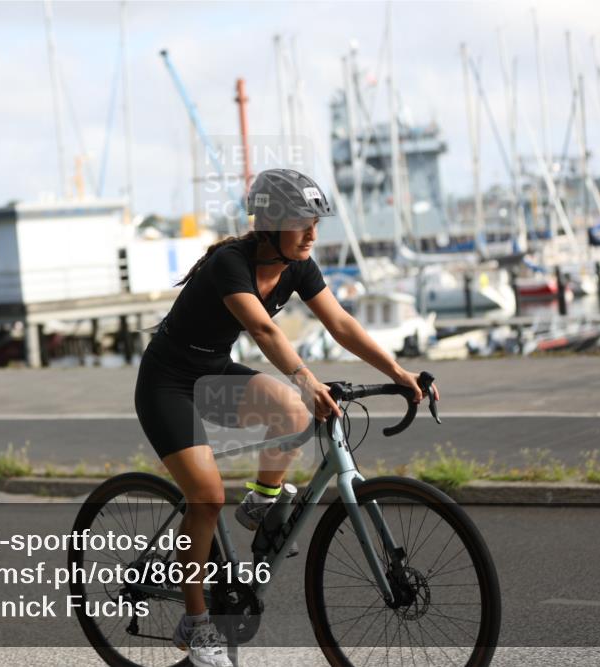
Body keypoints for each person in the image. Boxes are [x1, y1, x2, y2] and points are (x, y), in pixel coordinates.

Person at [133, 168, 439, 667]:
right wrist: (307, 377)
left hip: (212, 373)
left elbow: (340, 323)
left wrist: (399, 372)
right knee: (206, 497)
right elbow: (262, 330)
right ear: (271, 223)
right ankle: (196, 624)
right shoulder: (230, 264)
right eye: (303, 223)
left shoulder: (298, 265)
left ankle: (262, 499)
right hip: (167, 384)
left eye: (317, 223)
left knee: (292, 410)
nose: (313, 234)